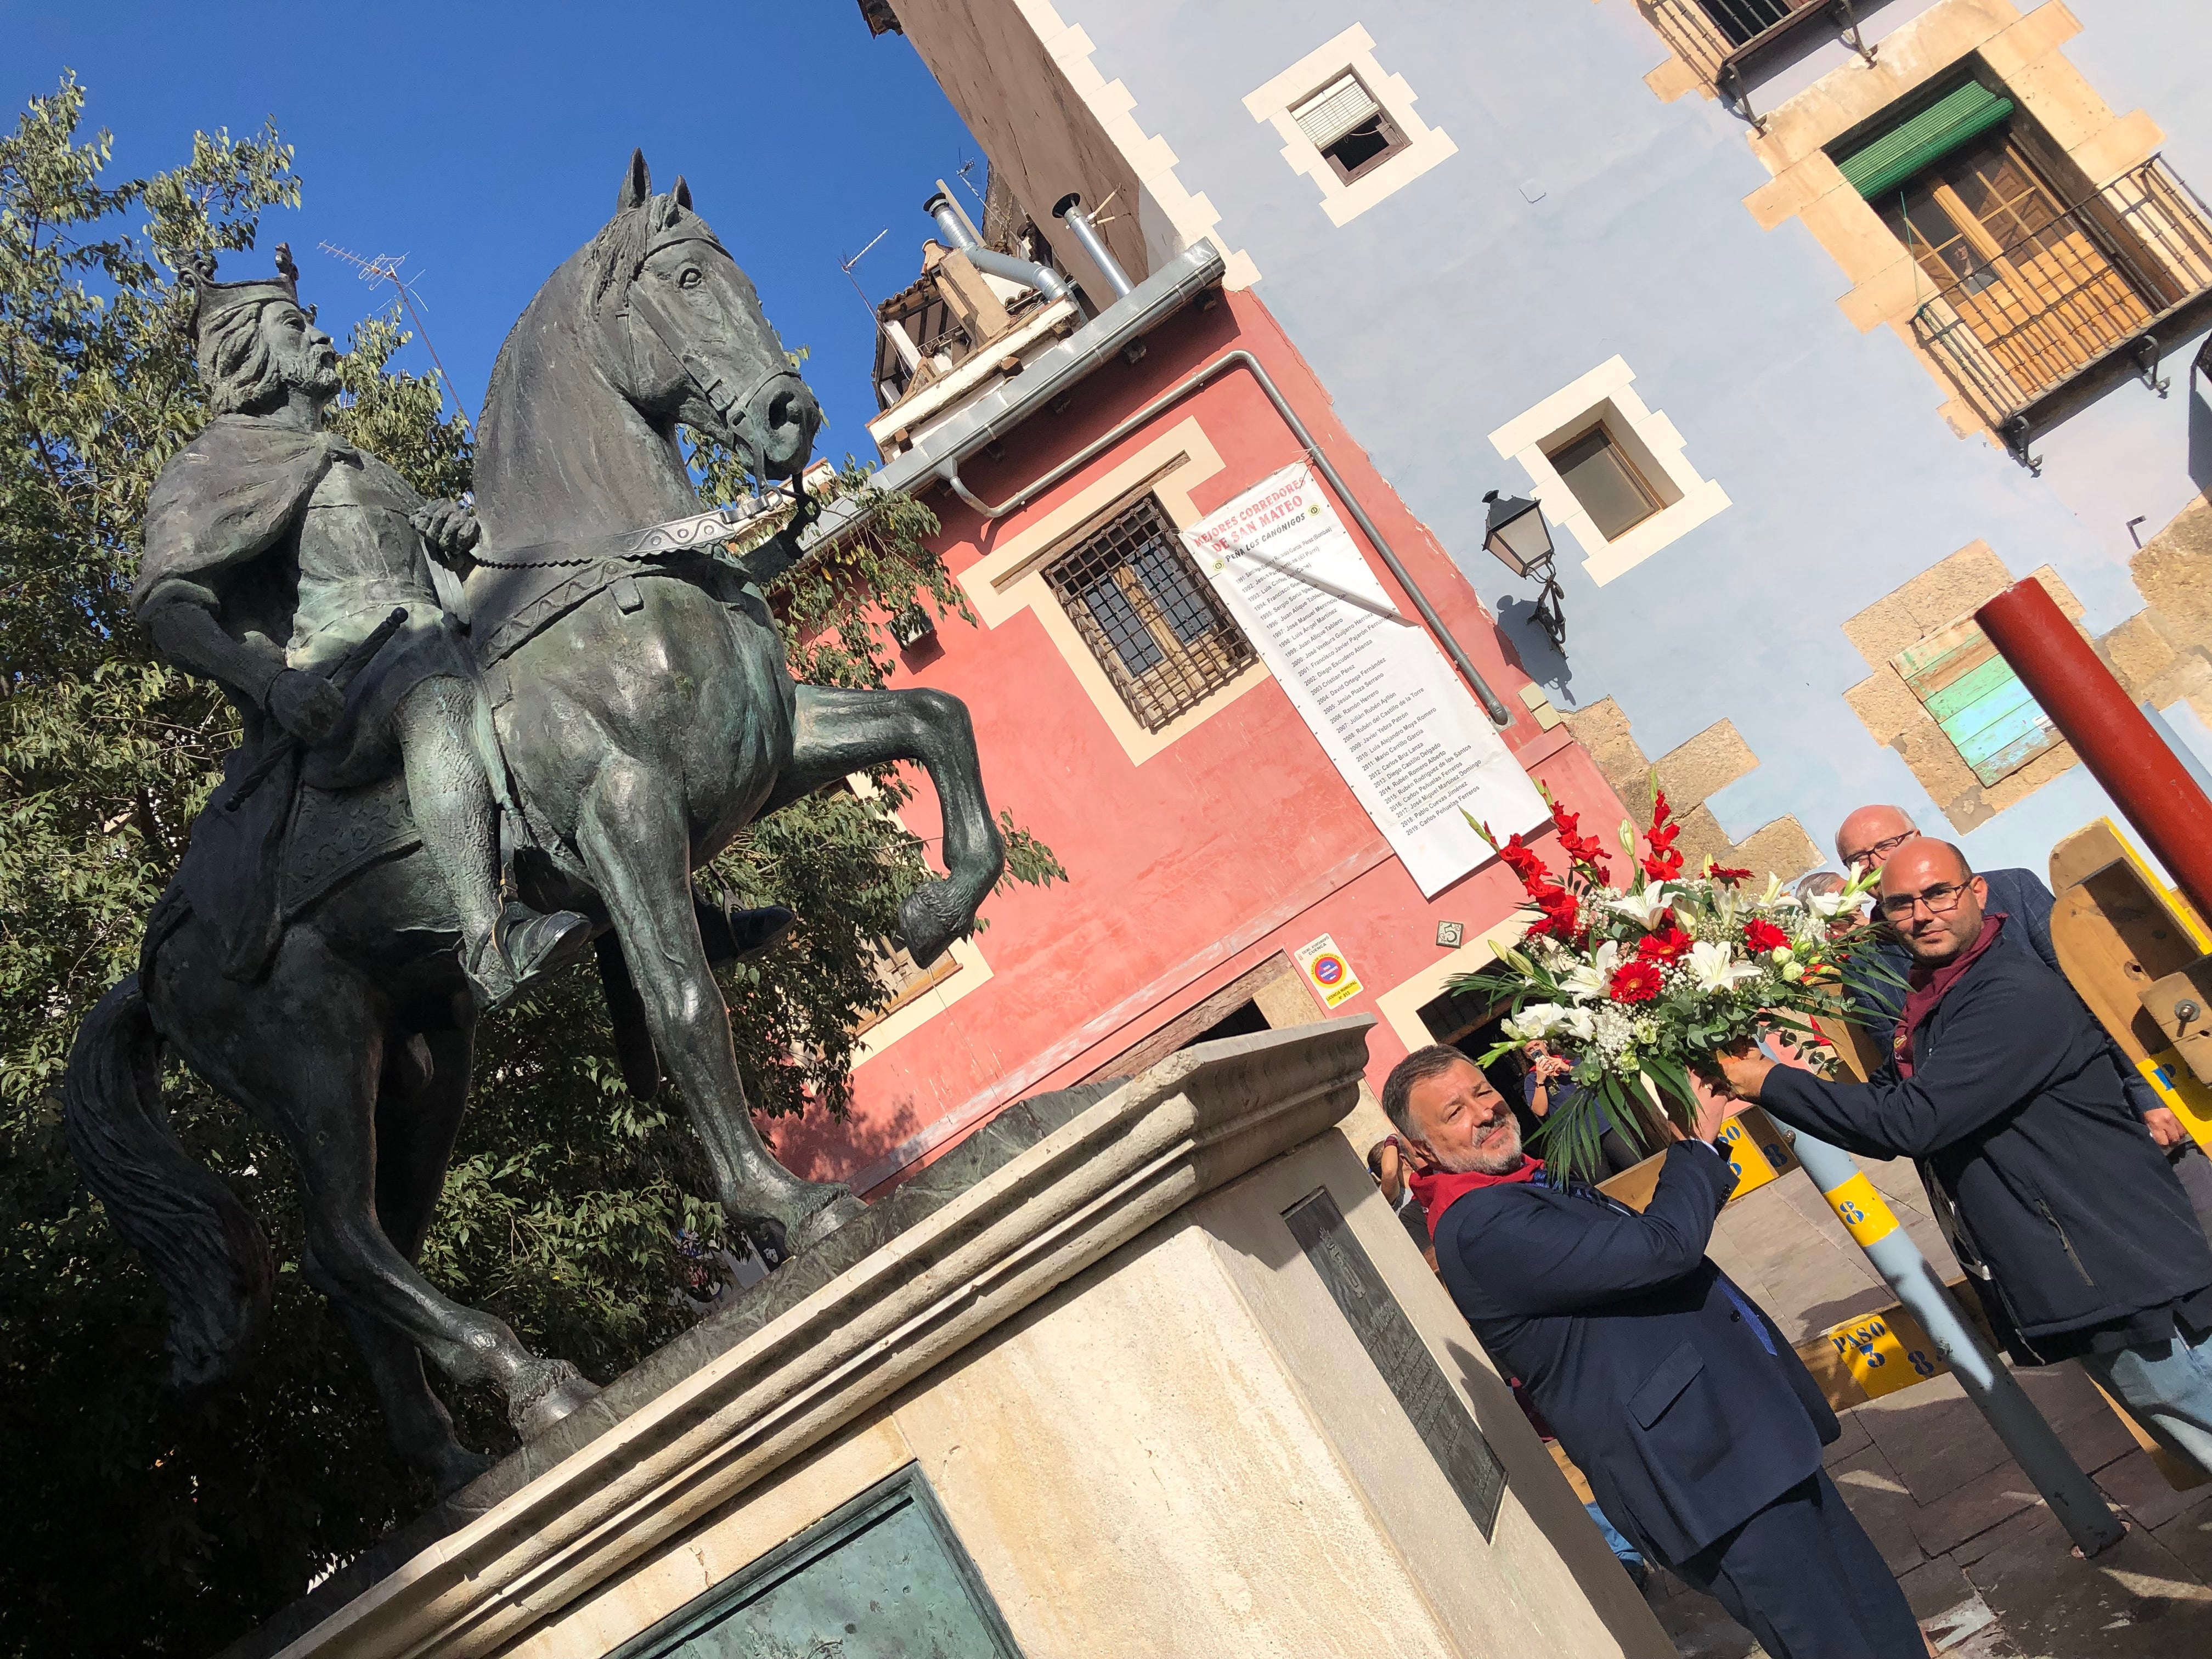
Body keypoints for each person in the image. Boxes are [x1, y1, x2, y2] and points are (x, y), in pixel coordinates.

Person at [134, 247, 588, 1009]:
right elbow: (169, 608)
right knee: (432, 688)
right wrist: (270, 686)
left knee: (568, 667)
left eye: (311, 322)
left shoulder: (366, 466)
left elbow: (442, 581)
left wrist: (449, 539)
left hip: (441, 637)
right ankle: (490, 943)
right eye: (293, 326)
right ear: (248, 352)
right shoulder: (215, 464)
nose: (321, 336)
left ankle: (674, 895)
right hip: (347, 680)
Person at [1385, 1045, 1925, 1658]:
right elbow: (1661, 1250)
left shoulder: (1517, 1186)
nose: (1484, 1111)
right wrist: (1693, 1145)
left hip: (1744, 1444)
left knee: (1879, 1620)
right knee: (1837, 1643)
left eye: (1482, 1091)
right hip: (1708, 1472)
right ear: (1420, 1150)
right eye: (1454, 1112)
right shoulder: (1481, 1227)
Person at [1722, 839, 2212, 1476]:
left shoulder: (2007, 992)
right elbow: (1892, 1114)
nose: (1922, 914)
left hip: (2124, 1270)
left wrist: (1767, 1081)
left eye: (1938, 893)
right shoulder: (1935, 999)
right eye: (1901, 904)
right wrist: (1774, 1075)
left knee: (2193, 1410)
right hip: (2088, 1272)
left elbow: (1913, 1121)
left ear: (1976, 892)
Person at [1836, 805, 2212, 1229]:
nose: (1875, 863)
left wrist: (2148, 1094)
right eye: (1858, 859)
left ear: (1918, 837)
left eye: (1886, 845)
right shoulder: (1866, 966)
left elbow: (2094, 997)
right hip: (2022, 1154)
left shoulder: (2011, 891)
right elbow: (1907, 1066)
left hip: (2115, 1107)